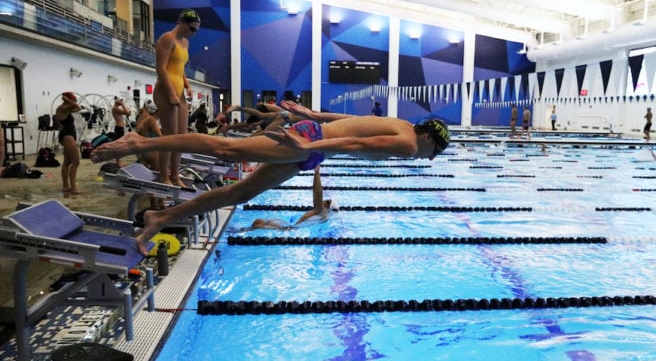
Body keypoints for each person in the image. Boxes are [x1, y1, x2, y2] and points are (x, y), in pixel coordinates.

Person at [91, 104, 450, 254]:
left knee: (245, 193)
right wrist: (310, 140)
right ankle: (139, 142)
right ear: (429, 140)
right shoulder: (406, 143)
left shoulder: (403, 125)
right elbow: (354, 140)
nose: (428, 159)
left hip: (313, 144)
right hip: (310, 142)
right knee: (226, 150)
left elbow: (351, 119)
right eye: (433, 153)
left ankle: (161, 218)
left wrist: (313, 117)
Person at [154, 8, 200, 187]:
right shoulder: (167, 38)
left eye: (196, 29)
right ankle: (164, 176)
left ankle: (175, 175)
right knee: (170, 137)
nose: (193, 32)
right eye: (192, 28)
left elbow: (179, 69)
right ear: (181, 22)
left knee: (182, 137)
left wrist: (187, 86)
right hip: (165, 91)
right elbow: (161, 68)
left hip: (179, 91)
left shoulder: (185, 43)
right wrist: (171, 94)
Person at [247, 166, 337, 230]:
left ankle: (239, 231)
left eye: (328, 201)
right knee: (258, 222)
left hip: (289, 228)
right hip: (291, 227)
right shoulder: (322, 215)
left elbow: (317, 194)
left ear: (328, 205)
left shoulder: (322, 211)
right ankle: (242, 230)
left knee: (257, 223)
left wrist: (317, 172)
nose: (325, 200)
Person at [54, 92, 82, 194]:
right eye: (73, 100)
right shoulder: (62, 108)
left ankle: (66, 186)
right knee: (76, 161)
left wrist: (70, 102)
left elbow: (78, 108)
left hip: (68, 136)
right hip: (67, 136)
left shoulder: (66, 109)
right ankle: (73, 187)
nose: (74, 101)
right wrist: (67, 99)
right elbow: (76, 106)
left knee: (67, 162)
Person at [111, 96, 131, 166]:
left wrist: (122, 104)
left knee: (120, 145)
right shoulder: (115, 108)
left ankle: (118, 160)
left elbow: (128, 113)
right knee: (119, 145)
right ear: (117, 101)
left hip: (120, 128)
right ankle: (118, 161)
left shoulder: (116, 108)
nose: (122, 102)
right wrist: (123, 104)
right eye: (120, 101)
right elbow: (127, 113)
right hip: (119, 128)